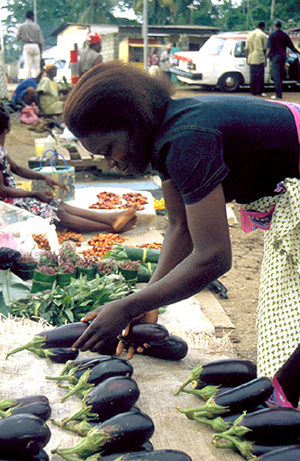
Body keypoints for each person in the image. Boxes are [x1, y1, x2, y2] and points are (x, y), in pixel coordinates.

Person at [63, 61, 300, 374]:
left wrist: (127, 307)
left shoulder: (187, 139)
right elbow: (179, 226)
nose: (108, 163)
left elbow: (213, 257)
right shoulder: (165, 132)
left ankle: (282, 397)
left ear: (133, 123)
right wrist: (148, 301)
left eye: (109, 149)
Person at [0, 105, 138, 234]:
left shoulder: (1, 149)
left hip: (14, 197)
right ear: (7, 126)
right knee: (57, 214)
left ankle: (111, 219)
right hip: (7, 205)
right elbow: (2, 190)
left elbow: (17, 169)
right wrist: (34, 194)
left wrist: (44, 177)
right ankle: (110, 227)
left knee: (57, 203)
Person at [265, 19, 300, 100]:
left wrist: (265, 58)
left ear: (274, 26)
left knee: (276, 76)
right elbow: (292, 47)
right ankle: (279, 94)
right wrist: (298, 52)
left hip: (275, 57)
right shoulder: (285, 35)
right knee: (280, 75)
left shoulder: (272, 35)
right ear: (280, 26)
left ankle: (278, 95)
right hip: (283, 56)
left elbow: (268, 48)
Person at [16, 11, 44, 79]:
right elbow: (40, 40)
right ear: (32, 16)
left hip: (27, 45)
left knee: (28, 66)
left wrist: (23, 36)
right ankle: (38, 81)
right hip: (36, 46)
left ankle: (28, 81)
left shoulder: (22, 26)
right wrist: (40, 52)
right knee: (37, 66)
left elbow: (17, 38)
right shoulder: (36, 26)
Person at [245, 22, 268, 97]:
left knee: (253, 76)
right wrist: (265, 59)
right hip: (260, 57)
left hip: (251, 58)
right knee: (260, 76)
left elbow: (247, 49)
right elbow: (265, 49)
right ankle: (259, 91)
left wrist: (247, 58)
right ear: (263, 27)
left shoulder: (250, 35)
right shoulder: (262, 35)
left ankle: (253, 91)